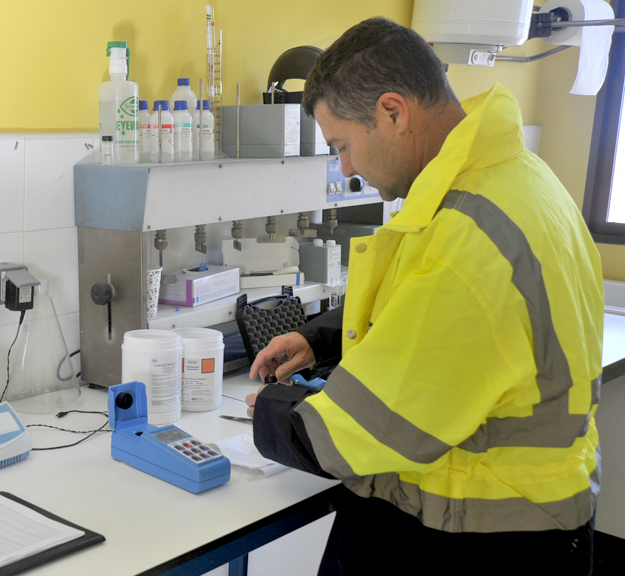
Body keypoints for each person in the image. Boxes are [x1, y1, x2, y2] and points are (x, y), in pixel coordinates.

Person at [245, 17, 604, 575]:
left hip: (478, 542)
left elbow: (359, 432)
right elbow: (429, 312)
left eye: (342, 145)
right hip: (534, 523)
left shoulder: (468, 237)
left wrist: (268, 411)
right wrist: (322, 339)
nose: (347, 168)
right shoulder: (518, 179)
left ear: (393, 111)